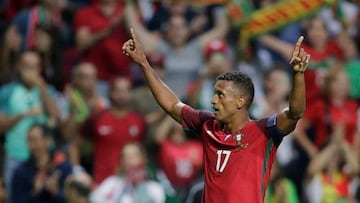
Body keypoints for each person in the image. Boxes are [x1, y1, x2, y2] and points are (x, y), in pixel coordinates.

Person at [122, 29, 310, 202]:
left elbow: (295, 113)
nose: (213, 101)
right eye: (214, 94)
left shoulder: (263, 131)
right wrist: (144, 64)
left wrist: (298, 75)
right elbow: (172, 105)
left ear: (240, 101)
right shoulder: (207, 125)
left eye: (220, 95)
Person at [0, 51, 58, 196]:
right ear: (19, 67)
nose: (32, 71)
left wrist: (42, 87)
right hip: (16, 155)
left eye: (35, 67)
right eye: (27, 66)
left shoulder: (47, 90)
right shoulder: (8, 91)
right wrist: (22, 115)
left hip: (45, 159)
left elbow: (56, 117)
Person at [69, 77, 146, 185]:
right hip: (102, 183)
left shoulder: (139, 120)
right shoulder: (97, 118)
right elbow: (74, 145)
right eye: (118, 91)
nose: (121, 95)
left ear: (130, 94)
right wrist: (77, 170)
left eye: (125, 91)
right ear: (110, 93)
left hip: (132, 184)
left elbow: (142, 151)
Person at [10, 124, 72, 203]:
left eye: (35, 140)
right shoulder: (21, 171)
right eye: (29, 140)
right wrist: (34, 193)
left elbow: (72, 199)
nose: (31, 145)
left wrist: (56, 193)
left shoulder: (63, 166)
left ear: (48, 139)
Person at [90, 142, 166, 203]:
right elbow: (94, 199)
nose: (128, 160)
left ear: (142, 159)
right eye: (125, 156)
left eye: (133, 155)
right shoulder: (112, 183)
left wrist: (139, 185)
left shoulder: (154, 188)